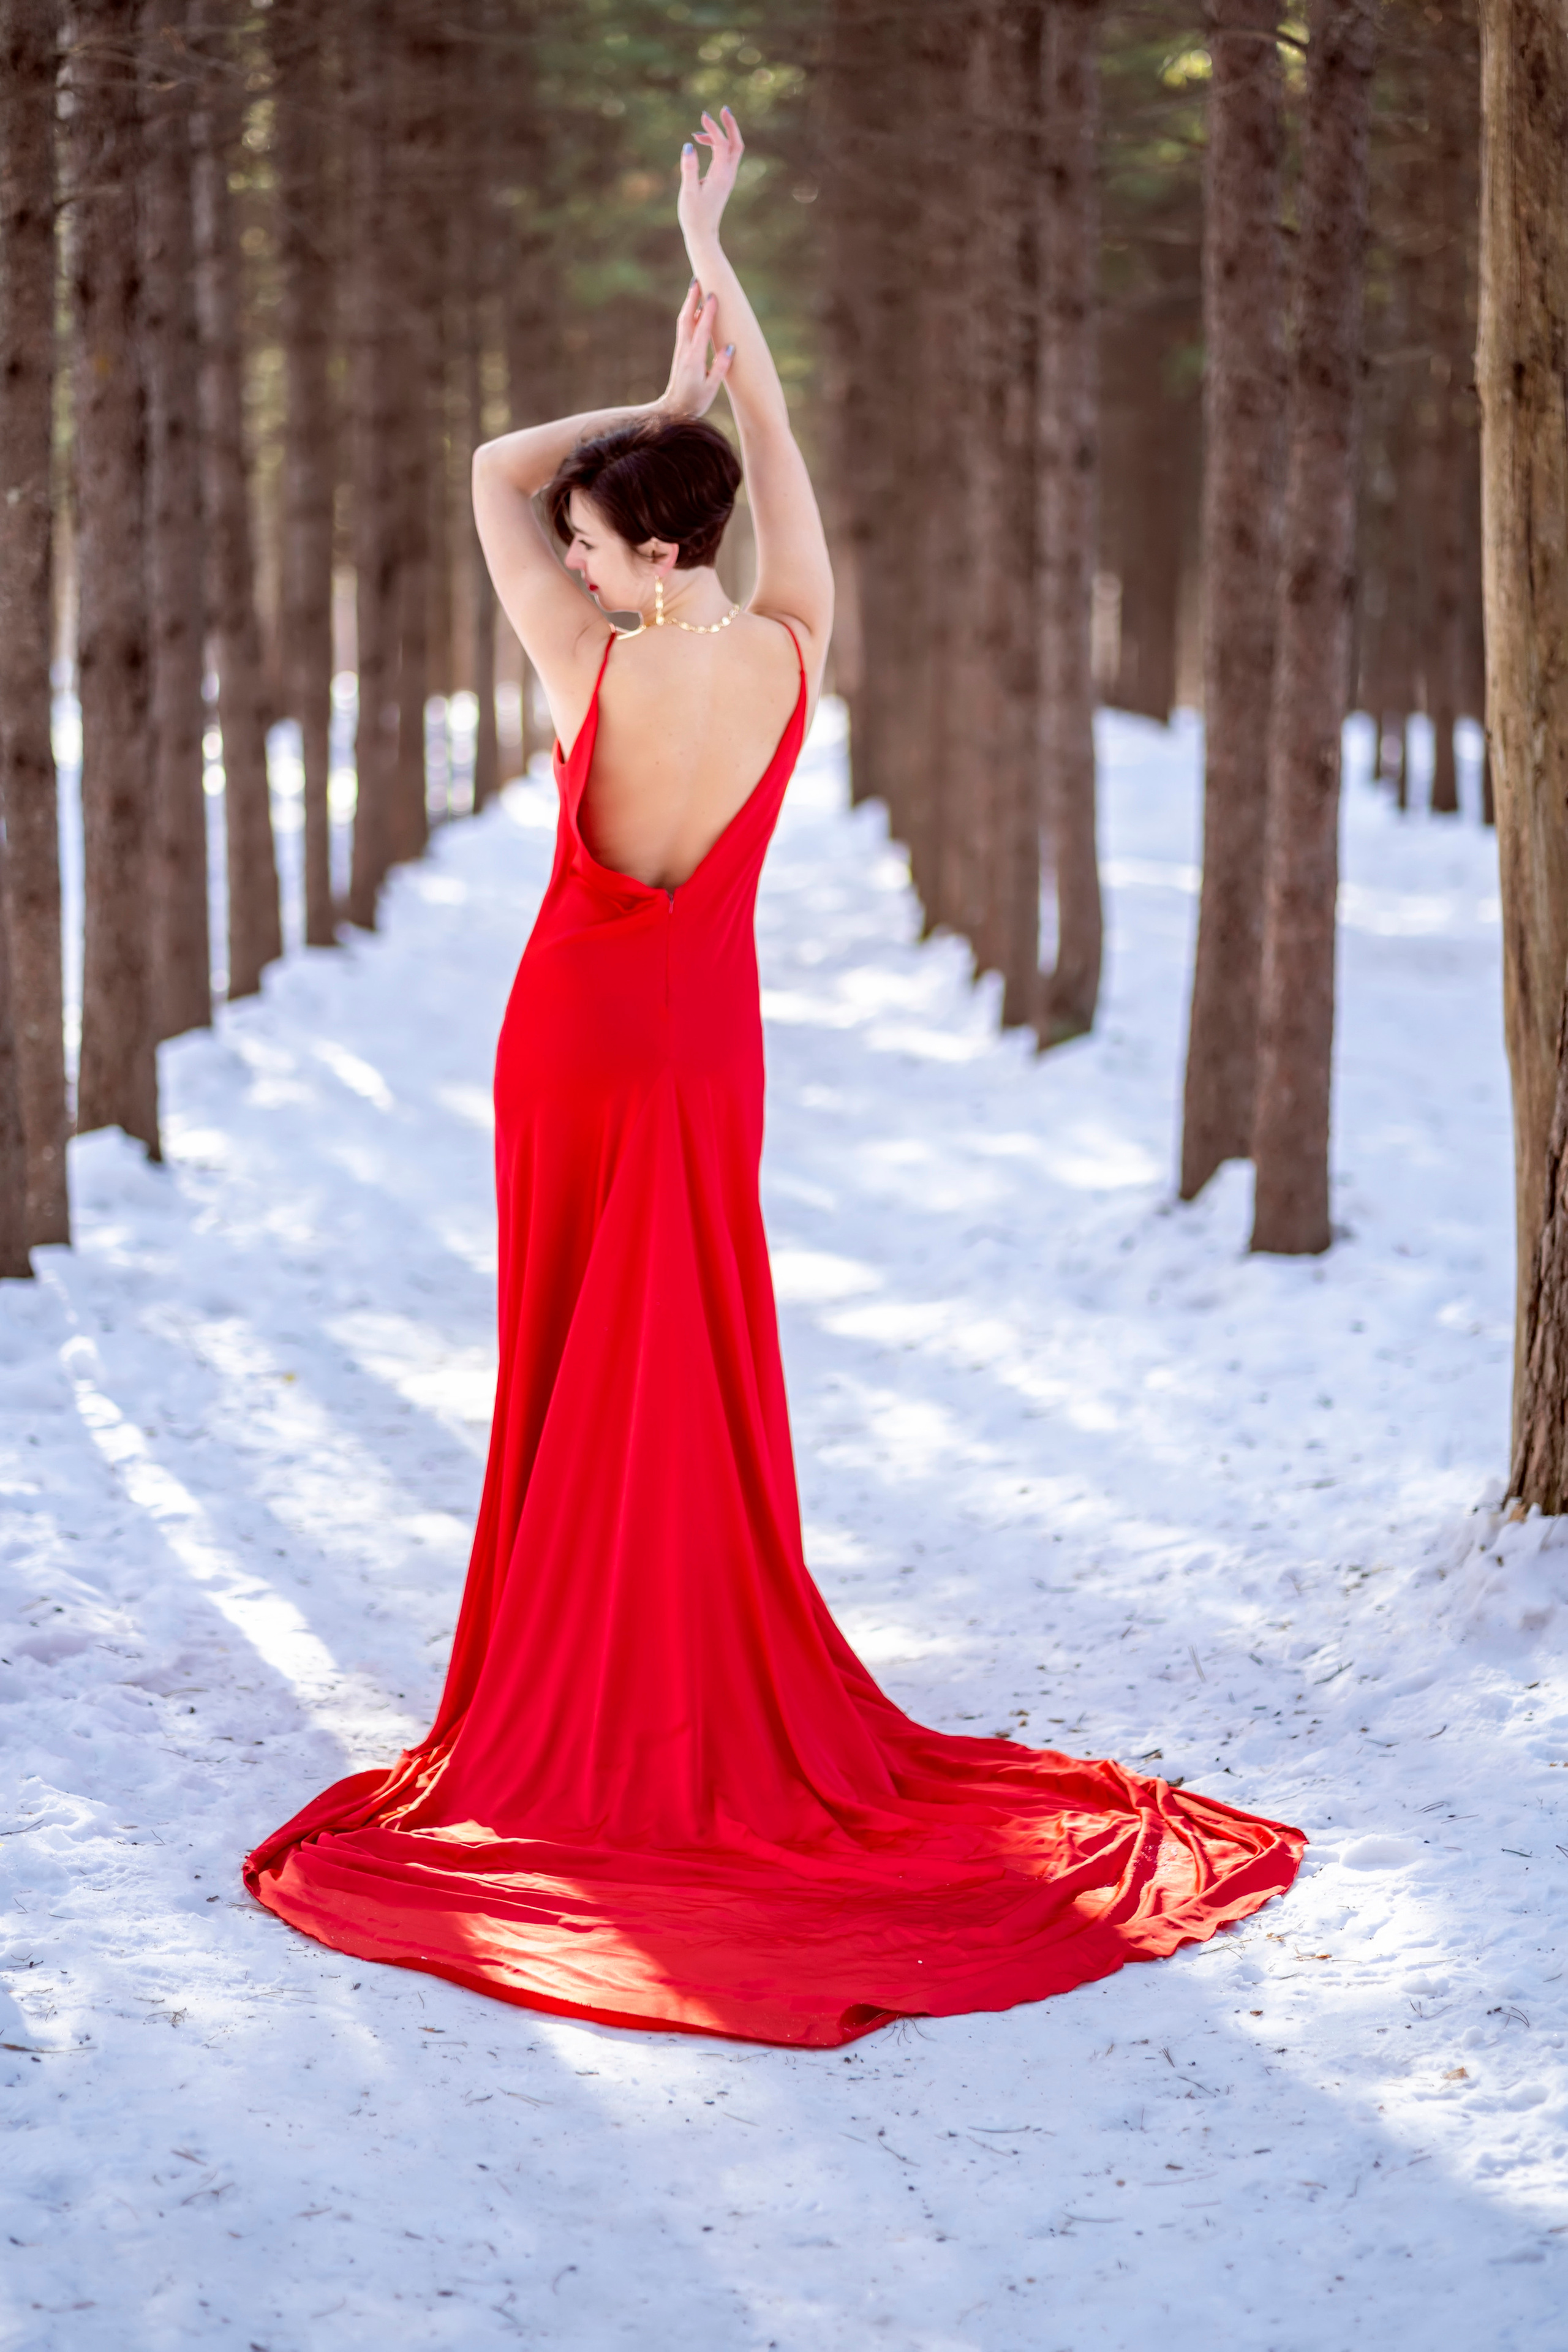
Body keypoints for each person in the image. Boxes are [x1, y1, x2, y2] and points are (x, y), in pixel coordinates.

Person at [245, 111, 1302, 2048]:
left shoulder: (598, 667)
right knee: (691, 1347)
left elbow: (495, 468)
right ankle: (696, 1650)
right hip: (706, 1052)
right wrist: (720, 306)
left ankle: (581, 1688)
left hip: (573, 1038)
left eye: (593, 534)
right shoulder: (792, 656)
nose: (558, 544)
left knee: (581, 1349)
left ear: (643, 551)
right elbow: (779, 485)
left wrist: (658, 379)